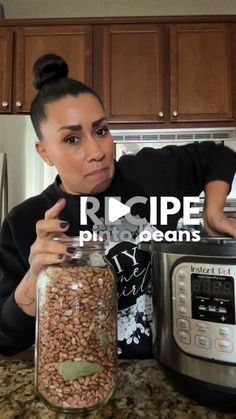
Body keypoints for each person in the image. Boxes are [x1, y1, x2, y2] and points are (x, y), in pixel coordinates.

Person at [0, 53, 236, 358]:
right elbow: (6, 341)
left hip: (174, 362)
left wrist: (214, 212)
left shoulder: (149, 173)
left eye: (100, 131)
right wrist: (34, 278)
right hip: (87, 379)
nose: (97, 151)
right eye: (72, 139)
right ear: (44, 152)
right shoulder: (25, 222)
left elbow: (219, 155)